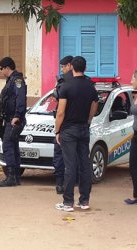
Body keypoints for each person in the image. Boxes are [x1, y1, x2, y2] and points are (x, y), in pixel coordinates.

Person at [55, 56, 98, 212]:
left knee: (70, 166)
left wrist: (57, 130)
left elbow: (60, 112)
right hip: (83, 128)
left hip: (68, 130)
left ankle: (68, 203)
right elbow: (95, 105)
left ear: (72, 67)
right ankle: (84, 201)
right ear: (85, 68)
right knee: (84, 164)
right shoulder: (90, 86)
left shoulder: (66, 86)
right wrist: (88, 120)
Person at [0, 57, 27, 187]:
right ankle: (15, 176)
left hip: (14, 119)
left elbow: (20, 99)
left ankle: (11, 177)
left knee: (8, 145)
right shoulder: (11, 81)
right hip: (8, 118)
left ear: (7, 68)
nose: (1, 71)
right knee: (13, 146)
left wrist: (17, 115)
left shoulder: (17, 80)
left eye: (1, 69)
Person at [52, 55, 73, 194]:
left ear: (70, 65)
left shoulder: (63, 82)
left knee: (59, 154)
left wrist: (57, 130)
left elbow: (57, 99)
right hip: (78, 124)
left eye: (64, 66)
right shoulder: (86, 82)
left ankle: (60, 184)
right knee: (74, 156)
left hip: (64, 124)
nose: (62, 69)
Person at [125, 70, 137, 205]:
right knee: (133, 165)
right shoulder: (135, 95)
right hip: (135, 135)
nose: (131, 81)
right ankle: (135, 195)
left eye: (133, 78)